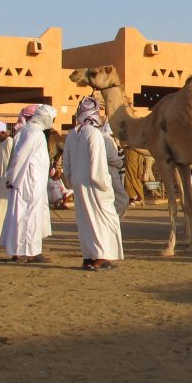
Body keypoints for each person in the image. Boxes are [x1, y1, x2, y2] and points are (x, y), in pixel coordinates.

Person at [63, 96, 124, 271]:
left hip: (78, 184)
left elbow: (66, 164)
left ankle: (88, 256)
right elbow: (97, 164)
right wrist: (105, 185)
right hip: (95, 185)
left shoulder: (72, 135)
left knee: (85, 221)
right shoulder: (94, 134)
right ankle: (102, 257)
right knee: (103, 220)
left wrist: (72, 182)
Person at [0, 104, 56, 264]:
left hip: (28, 182)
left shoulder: (29, 130)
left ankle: (19, 251)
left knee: (21, 216)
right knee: (28, 217)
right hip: (29, 183)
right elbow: (20, 157)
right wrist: (11, 177)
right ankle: (30, 253)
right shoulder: (35, 133)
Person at [101, 121, 130, 217]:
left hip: (107, 173)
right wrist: (121, 163)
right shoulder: (107, 139)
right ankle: (112, 219)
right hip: (110, 173)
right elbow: (111, 158)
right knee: (123, 199)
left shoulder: (103, 138)